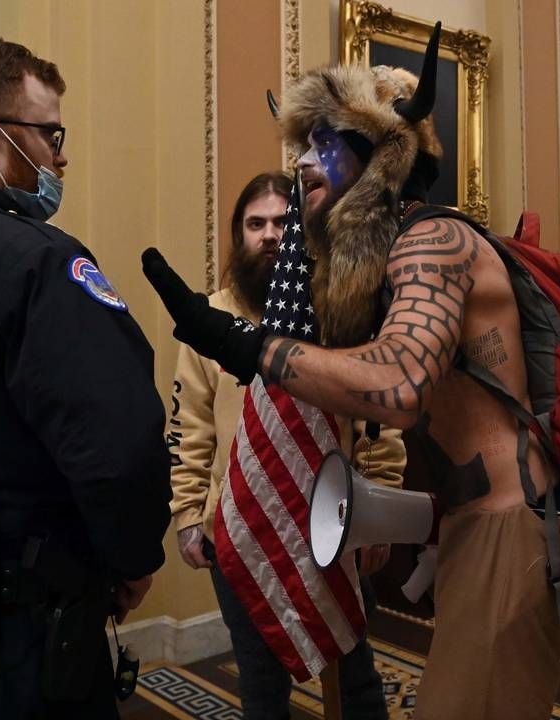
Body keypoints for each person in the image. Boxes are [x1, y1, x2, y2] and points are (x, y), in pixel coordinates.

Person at [143, 29, 560, 720]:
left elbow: (400, 384)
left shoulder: (434, 241)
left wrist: (247, 345)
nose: (302, 164)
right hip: (478, 525)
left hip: (516, 529)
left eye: (324, 144)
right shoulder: (394, 257)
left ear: (382, 156)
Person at [0, 37, 170, 718]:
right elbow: (120, 448)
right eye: (50, 134)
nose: (61, 156)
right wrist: (133, 557)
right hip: (14, 637)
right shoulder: (39, 265)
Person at [168, 171, 403, 720]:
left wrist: (381, 516)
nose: (270, 235)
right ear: (238, 235)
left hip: (333, 531)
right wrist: (186, 514)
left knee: (357, 683)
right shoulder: (211, 317)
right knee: (261, 688)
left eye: (281, 222)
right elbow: (189, 429)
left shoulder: (335, 313)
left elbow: (377, 419)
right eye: (256, 224)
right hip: (240, 533)